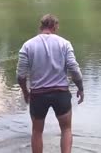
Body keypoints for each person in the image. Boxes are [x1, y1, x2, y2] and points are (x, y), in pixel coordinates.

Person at [17, 14, 84, 153]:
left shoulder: (27, 45)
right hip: (60, 93)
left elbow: (20, 75)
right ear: (55, 26)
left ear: (41, 26)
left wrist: (25, 92)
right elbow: (74, 69)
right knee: (66, 129)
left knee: (37, 132)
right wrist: (80, 88)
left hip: (38, 95)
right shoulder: (64, 43)